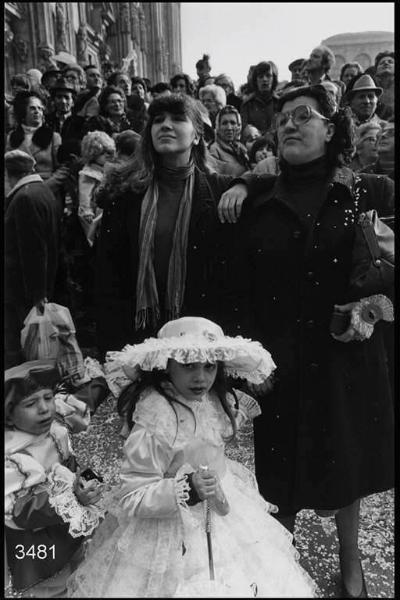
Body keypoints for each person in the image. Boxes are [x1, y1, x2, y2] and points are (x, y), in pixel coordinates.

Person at [224, 84, 394, 598]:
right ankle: (282, 565)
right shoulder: (255, 200)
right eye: (282, 120)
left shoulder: (369, 191)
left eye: (304, 115)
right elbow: (241, 285)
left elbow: (388, 268)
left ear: (331, 127)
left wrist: (370, 303)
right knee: (278, 466)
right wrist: (243, 360)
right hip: (278, 357)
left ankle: (351, 566)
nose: (291, 125)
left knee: (344, 462)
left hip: (344, 351)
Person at [68, 316, 315, 597]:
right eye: (188, 366)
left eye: (209, 367)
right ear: (167, 365)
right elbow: (133, 493)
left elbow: (211, 443)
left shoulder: (216, 401)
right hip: (169, 532)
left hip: (224, 519)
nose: (200, 378)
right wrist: (188, 489)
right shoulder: (156, 417)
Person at [93, 93, 253, 357]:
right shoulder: (125, 196)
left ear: (198, 136)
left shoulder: (221, 190)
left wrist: (248, 183)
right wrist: (111, 351)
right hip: (138, 340)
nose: (165, 125)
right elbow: (107, 280)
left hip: (200, 342)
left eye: (178, 119)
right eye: (158, 120)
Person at [5, 359, 104, 597]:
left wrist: (85, 480)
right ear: (8, 416)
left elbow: (83, 402)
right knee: (50, 585)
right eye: (30, 403)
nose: (44, 408)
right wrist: (71, 495)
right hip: (37, 542)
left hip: (66, 527)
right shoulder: (13, 458)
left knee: (79, 566)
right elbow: (18, 511)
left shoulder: (55, 428)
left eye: (48, 398)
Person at [4, 150, 61, 368]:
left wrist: (38, 295)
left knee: (21, 348)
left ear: (9, 174)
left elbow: (33, 251)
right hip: (35, 290)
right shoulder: (42, 191)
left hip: (23, 293)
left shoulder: (25, 198)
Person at [5, 91, 66, 195]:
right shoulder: (12, 137)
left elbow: (62, 169)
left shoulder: (53, 137)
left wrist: (44, 187)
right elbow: (7, 168)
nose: (37, 111)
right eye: (32, 108)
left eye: (40, 108)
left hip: (47, 191)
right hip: (19, 190)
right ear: (23, 112)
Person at [208, 105, 250, 176]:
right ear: (218, 127)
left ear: (238, 126)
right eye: (224, 123)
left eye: (233, 123)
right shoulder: (214, 150)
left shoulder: (242, 148)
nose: (229, 128)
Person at [240, 60, 279, 135]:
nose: (264, 79)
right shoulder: (247, 104)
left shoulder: (279, 102)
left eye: (268, 76)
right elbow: (244, 130)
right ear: (255, 80)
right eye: (260, 76)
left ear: (273, 79)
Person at [373, 51, 394, 120]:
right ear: (376, 71)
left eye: (390, 62)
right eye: (381, 63)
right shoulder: (371, 92)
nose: (386, 63)